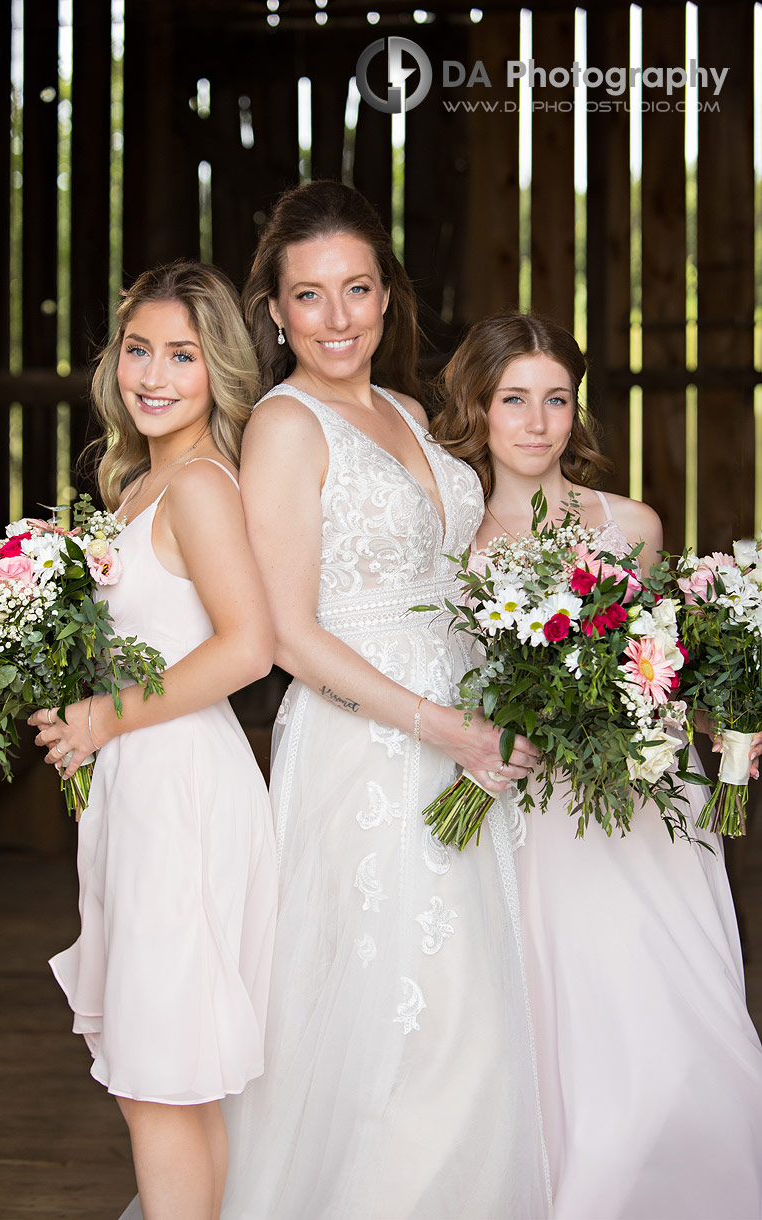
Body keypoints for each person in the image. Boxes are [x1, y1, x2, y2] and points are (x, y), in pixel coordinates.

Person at [213, 180, 550, 1220]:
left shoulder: (408, 409)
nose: (339, 317)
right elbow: (287, 632)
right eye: (309, 297)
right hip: (372, 745)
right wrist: (436, 720)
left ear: (388, 294)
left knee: (483, 1007)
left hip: (467, 728)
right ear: (273, 308)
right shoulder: (283, 425)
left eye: (358, 288)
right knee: (425, 1018)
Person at [431, 310, 762, 1219]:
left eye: (557, 400)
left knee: (669, 1020)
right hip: (531, 816)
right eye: (513, 401)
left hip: (642, 802)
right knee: (564, 1028)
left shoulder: (633, 526)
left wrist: (727, 717)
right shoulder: (449, 538)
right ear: (477, 407)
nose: (537, 423)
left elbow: (660, 663)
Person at [29, 261, 278, 1220]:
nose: (155, 374)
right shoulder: (138, 480)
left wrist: (104, 716)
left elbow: (248, 646)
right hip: (145, 787)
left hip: (179, 791)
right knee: (171, 1080)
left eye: (182, 354)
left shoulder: (202, 487)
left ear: (217, 368)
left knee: (158, 1078)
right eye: (139, 350)